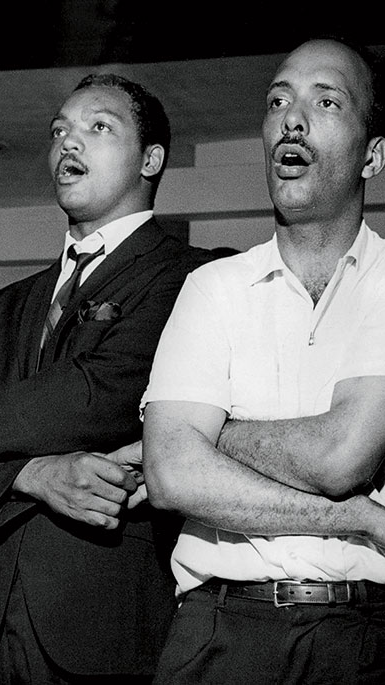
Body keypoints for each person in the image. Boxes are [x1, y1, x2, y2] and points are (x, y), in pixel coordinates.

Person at [0, 75, 210, 682]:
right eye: (59, 130)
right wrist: (35, 474)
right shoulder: (7, 304)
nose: (67, 142)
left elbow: (103, 393)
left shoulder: (194, 278)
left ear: (152, 159)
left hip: (105, 631)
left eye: (98, 127)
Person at [142, 38, 385, 684]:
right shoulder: (211, 288)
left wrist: (212, 436)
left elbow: (344, 453)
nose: (292, 119)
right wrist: (358, 517)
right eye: (278, 100)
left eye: (325, 100)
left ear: (374, 154)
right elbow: (169, 472)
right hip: (218, 633)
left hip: (364, 638)